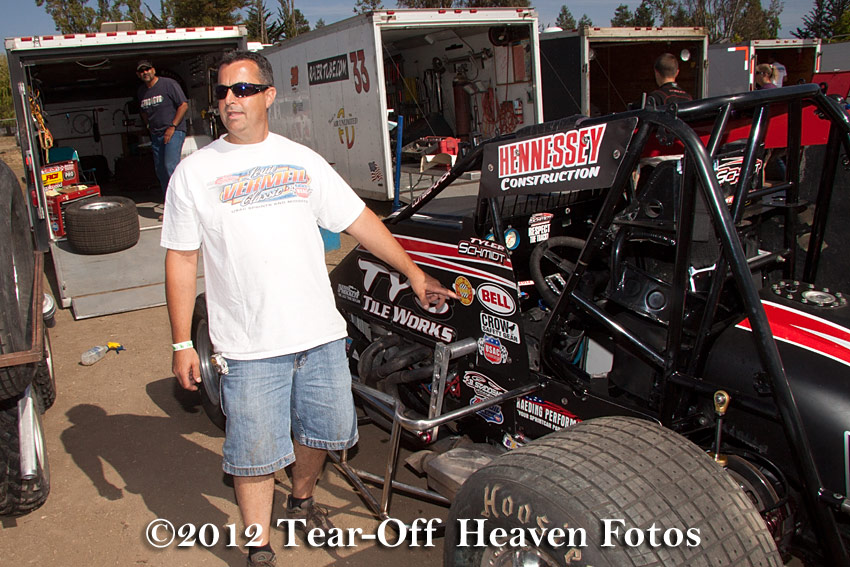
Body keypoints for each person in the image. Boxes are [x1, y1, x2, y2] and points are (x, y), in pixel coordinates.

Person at [161, 50, 457, 567]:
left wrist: (414, 274)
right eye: (223, 91)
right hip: (249, 347)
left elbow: (360, 222)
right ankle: (258, 547)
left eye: (243, 89)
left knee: (320, 432)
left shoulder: (302, 160)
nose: (230, 100)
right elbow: (182, 258)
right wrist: (183, 341)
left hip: (319, 336)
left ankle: (300, 500)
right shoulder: (194, 173)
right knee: (254, 454)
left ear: (269, 95)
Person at [136, 59, 188, 200]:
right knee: (160, 171)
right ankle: (169, 202)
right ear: (138, 74)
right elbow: (143, 112)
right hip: (156, 134)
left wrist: (172, 126)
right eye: (142, 71)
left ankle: (180, 201)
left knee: (170, 167)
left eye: (147, 69)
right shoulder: (142, 91)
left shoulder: (168, 84)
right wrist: (148, 126)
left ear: (153, 70)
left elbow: (183, 105)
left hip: (173, 132)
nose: (145, 72)